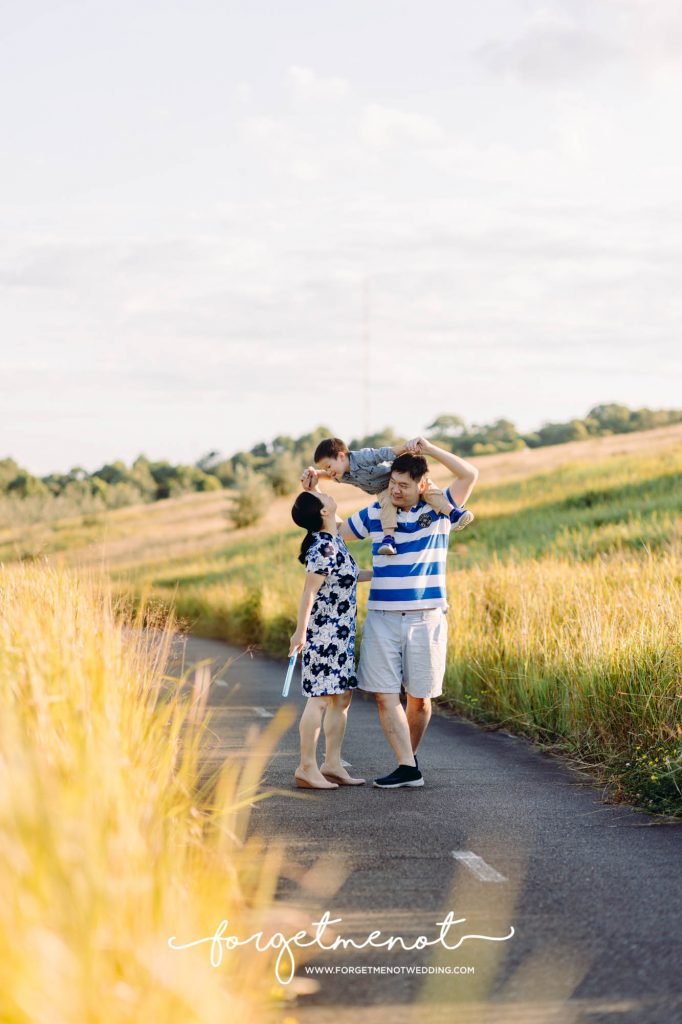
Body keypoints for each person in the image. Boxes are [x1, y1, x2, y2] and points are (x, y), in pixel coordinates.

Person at [302, 438, 478, 788]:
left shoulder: (439, 510)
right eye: (392, 484)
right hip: (382, 615)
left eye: (404, 486)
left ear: (422, 486)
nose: (396, 491)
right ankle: (406, 765)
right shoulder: (375, 514)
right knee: (384, 694)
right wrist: (314, 496)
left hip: (426, 616)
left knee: (420, 699)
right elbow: (334, 532)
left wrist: (428, 449)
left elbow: (469, 473)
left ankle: (408, 763)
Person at [289, 489, 371, 790]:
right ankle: (306, 768)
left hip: (341, 634)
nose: (329, 496)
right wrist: (300, 632)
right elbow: (309, 592)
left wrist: (379, 573)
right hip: (324, 634)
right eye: (324, 498)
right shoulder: (323, 547)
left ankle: (332, 764)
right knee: (321, 699)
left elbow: (347, 576)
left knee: (341, 698)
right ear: (323, 512)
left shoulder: (333, 540)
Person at [301, 436, 473, 557]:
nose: (329, 471)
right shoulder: (340, 474)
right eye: (326, 468)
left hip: (390, 475)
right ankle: (388, 539)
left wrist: (409, 448)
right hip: (382, 490)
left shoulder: (361, 457)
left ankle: (453, 514)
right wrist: (315, 480)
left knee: (430, 492)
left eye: (329, 466)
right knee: (387, 507)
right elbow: (337, 530)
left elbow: (384, 453)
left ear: (341, 456)